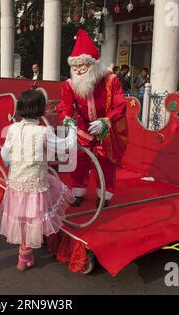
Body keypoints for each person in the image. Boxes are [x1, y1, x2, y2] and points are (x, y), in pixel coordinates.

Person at [0, 89, 76, 271]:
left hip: (16, 183)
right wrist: (72, 128)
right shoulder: (44, 131)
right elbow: (65, 147)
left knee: (22, 218)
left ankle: (24, 255)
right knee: (34, 217)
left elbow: (4, 153)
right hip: (35, 184)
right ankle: (24, 256)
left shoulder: (13, 128)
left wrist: (13, 165)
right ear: (42, 110)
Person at [57, 29, 127, 207]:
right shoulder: (70, 84)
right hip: (82, 127)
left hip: (106, 127)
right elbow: (64, 106)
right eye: (75, 67)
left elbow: (120, 105)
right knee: (80, 158)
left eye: (83, 66)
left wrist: (106, 121)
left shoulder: (111, 80)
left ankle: (104, 193)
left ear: (93, 64)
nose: (79, 70)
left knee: (105, 161)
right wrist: (66, 119)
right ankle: (78, 191)